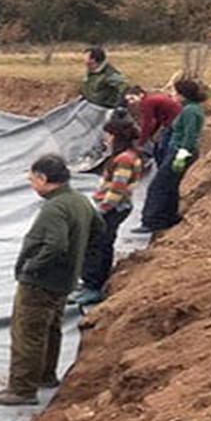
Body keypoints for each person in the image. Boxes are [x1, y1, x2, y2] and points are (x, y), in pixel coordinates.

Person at [0, 154, 97, 406]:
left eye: (32, 179)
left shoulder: (54, 208)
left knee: (28, 333)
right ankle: (46, 375)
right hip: (64, 281)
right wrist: (76, 257)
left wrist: (32, 267)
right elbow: (99, 230)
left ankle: (22, 389)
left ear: (43, 179)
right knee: (51, 328)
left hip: (41, 282)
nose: (31, 184)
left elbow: (55, 245)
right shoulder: (80, 201)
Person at [69, 119, 143, 307]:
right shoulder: (126, 156)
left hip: (113, 209)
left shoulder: (124, 160)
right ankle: (93, 282)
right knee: (103, 244)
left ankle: (92, 286)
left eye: (108, 134)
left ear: (115, 136)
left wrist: (101, 211)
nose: (105, 138)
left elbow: (117, 189)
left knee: (95, 246)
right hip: (115, 208)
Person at [134, 79, 207, 234]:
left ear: (183, 95)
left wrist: (182, 154)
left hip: (180, 151)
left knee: (159, 186)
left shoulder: (190, 111)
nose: (172, 95)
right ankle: (168, 217)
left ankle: (153, 221)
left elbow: (190, 135)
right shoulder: (189, 109)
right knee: (170, 185)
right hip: (178, 150)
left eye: (175, 92)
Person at [123, 86, 182, 162]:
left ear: (141, 95)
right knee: (160, 145)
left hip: (174, 122)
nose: (130, 102)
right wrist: (151, 133)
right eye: (128, 100)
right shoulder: (151, 98)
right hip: (174, 120)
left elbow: (147, 123)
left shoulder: (146, 103)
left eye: (132, 98)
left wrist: (141, 142)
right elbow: (156, 120)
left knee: (163, 147)